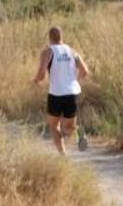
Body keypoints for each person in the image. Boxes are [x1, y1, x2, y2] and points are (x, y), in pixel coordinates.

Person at [33, 26, 90, 154]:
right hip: (72, 93)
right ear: (62, 37)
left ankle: (63, 156)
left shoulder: (48, 52)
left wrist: (35, 81)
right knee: (69, 128)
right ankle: (80, 132)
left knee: (54, 126)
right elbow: (85, 71)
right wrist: (74, 81)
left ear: (50, 38)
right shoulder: (72, 51)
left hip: (56, 94)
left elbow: (41, 74)